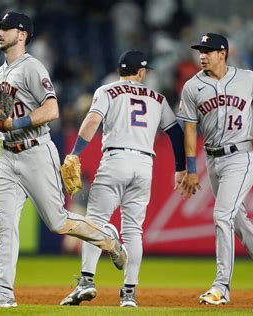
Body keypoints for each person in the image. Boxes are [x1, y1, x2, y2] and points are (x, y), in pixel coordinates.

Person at [0, 12, 127, 308]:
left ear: (22, 34)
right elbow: (8, 119)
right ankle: (3, 293)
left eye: (6, 28)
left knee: (58, 222)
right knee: (6, 225)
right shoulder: (3, 70)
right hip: (8, 156)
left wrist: (12, 127)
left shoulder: (32, 67)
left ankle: (107, 237)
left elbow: (52, 110)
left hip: (35, 153)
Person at [59, 50, 187, 307]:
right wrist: (181, 167)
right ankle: (129, 294)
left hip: (115, 160)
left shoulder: (106, 91)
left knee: (94, 222)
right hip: (144, 164)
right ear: (141, 72)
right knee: (134, 231)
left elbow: (93, 119)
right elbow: (175, 133)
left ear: (120, 70)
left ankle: (87, 281)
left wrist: (75, 153)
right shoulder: (158, 98)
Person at [177, 33, 253, 305]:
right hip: (213, 160)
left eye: (209, 50)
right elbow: (190, 130)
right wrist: (191, 169)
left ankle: (221, 286)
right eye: (201, 50)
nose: (202, 55)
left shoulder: (246, 77)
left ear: (223, 53)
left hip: (242, 156)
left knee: (221, 216)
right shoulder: (192, 86)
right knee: (236, 219)